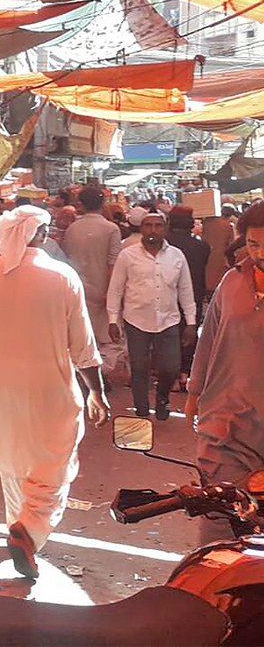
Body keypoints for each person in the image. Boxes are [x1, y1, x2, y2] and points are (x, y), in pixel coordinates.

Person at [0, 206, 108, 579]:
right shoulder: (61, 277)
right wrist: (97, 391)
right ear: (37, 235)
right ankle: (28, 530)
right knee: (55, 463)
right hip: (49, 386)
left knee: (13, 459)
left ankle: (17, 527)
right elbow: (83, 345)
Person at [185, 204, 264, 543]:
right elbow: (209, 339)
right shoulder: (232, 282)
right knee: (220, 520)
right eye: (254, 243)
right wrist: (194, 393)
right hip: (226, 426)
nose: (260, 253)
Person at [107, 211, 197, 420]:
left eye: (158, 225)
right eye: (148, 225)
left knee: (171, 367)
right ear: (141, 228)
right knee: (139, 367)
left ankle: (162, 397)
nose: (153, 230)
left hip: (168, 320)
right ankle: (142, 409)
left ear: (165, 229)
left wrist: (191, 323)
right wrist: (113, 320)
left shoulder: (176, 256)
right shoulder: (127, 255)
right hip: (136, 319)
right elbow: (115, 289)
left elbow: (185, 290)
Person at [61, 186, 123, 377]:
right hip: (103, 287)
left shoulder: (72, 229)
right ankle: (98, 375)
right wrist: (111, 293)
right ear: (103, 203)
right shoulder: (111, 229)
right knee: (106, 338)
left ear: (80, 204)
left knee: (82, 332)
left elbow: (69, 258)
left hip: (77, 288)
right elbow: (113, 262)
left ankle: (85, 372)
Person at [167, 206, 211, 388]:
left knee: (170, 334)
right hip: (194, 293)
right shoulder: (202, 246)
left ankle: (173, 374)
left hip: (168, 295)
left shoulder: (165, 243)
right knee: (189, 333)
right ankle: (185, 372)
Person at [202, 207, 236, 296]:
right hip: (221, 260)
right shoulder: (228, 226)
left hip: (207, 259)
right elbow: (231, 245)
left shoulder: (206, 224)